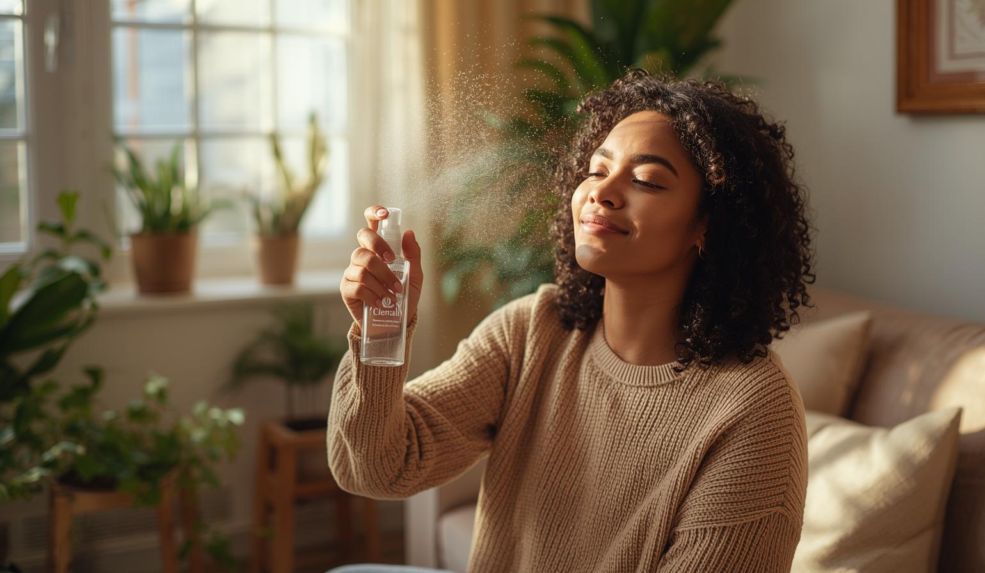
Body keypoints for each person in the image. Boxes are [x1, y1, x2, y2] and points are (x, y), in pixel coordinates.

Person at [328, 68, 815, 572]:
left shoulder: (755, 412)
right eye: (596, 170)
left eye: (647, 180)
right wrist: (380, 332)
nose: (602, 192)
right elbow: (377, 470)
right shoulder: (531, 332)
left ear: (709, 225)